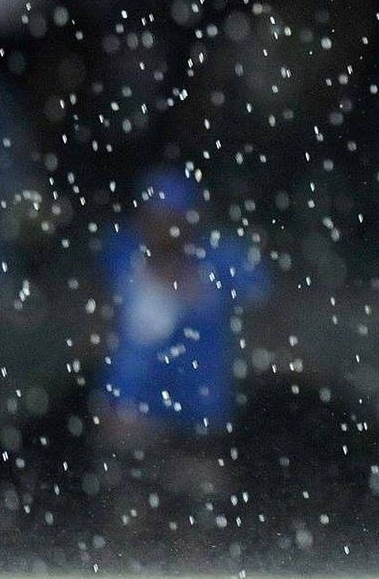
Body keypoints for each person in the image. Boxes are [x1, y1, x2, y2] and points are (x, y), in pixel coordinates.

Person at [94, 166, 269, 530]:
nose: (164, 230)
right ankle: (127, 569)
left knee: (202, 500)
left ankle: (198, 567)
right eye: (154, 219)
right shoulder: (122, 253)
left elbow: (266, 311)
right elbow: (96, 312)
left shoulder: (223, 259)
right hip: (135, 401)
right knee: (130, 498)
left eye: (173, 220)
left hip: (200, 401)